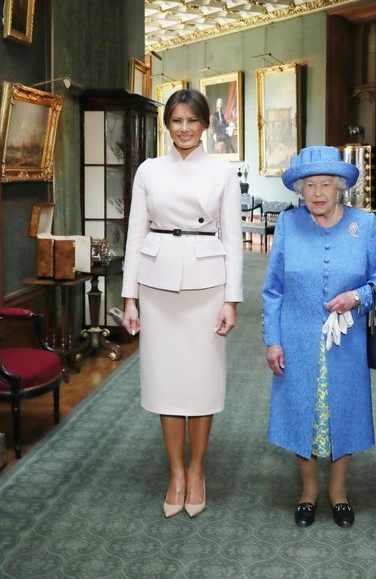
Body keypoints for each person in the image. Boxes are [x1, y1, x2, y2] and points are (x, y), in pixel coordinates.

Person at [121, 88, 243, 518]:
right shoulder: (149, 170)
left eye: (193, 120)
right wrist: (129, 297)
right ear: (167, 125)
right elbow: (134, 236)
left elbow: (233, 238)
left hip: (207, 284)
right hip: (156, 285)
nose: (185, 128)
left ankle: (197, 469)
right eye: (177, 120)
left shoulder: (221, 172)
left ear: (206, 124)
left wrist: (232, 299)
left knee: (202, 382)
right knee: (166, 382)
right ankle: (175, 471)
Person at [262, 146, 376, 529]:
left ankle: (338, 491)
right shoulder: (288, 225)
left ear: (340, 188)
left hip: (347, 341)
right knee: (302, 410)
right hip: (297, 337)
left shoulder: (365, 224)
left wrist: (358, 296)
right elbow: (273, 289)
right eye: (310, 186)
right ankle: (308, 491)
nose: (318, 193)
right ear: (300, 190)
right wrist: (274, 339)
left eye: (325, 184)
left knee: (344, 413)